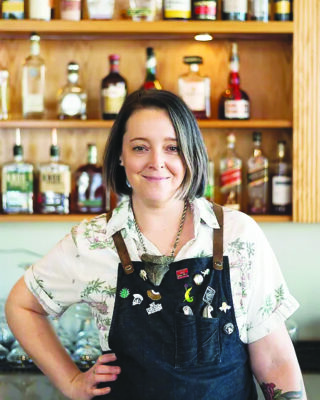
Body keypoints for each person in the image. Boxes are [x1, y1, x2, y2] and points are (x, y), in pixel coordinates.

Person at [5, 89, 306, 400]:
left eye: (172, 147)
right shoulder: (93, 241)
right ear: (120, 155)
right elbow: (21, 305)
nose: (156, 162)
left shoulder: (238, 235)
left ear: (191, 152)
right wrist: (70, 381)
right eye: (140, 147)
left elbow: (274, 360)